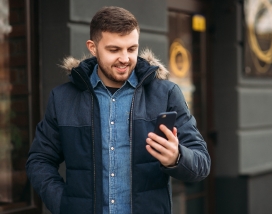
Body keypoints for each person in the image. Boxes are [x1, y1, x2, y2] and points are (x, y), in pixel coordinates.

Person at [26, 6, 211, 214]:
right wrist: (65, 205)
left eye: (131, 49)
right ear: (93, 47)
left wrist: (177, 157)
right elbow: (39, 161)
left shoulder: (166, 94)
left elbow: (201, 164)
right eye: (114, 50)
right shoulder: (63, 98)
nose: (125, 58)